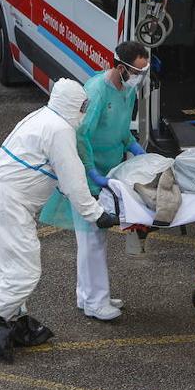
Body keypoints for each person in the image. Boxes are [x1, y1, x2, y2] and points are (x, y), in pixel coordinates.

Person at [0, 78, 119, 363]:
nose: (85, 112)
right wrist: (96, 214)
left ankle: (12, 322)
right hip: (10, 202)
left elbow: (55, 172)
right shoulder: (60, 129)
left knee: (4, 263)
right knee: (25, 270)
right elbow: (73, 179)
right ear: (73, 106)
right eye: (83, 106)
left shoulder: (41, 116)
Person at [74, 40, 151, 320]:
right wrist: (91, 172)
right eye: (138, 71)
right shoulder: (96, 91)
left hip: (108, 172)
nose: (141, 77)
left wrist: (135, 149)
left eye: (145, 71)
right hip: (87, 174)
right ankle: (97, 302)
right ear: (121, 68)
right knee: (92, 238)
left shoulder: (127, 92)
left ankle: (87, 296)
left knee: (93, 237)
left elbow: (120, 130)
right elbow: (81, 136)